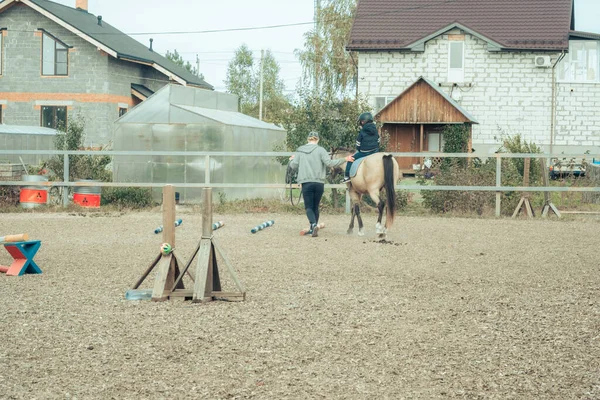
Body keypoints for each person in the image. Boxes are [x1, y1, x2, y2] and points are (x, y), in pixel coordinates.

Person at [289, 131, 354, 237]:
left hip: (306, 182)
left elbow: (294, 166)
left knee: (308, 207)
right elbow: (330, 163)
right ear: (317, 140)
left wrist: (291, 160)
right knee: (315, 207)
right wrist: (344, 159)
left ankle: (313, 224)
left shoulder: (300, 150)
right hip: (319, 183)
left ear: (308, 139)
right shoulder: (321, 150)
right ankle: (313, 228)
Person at [343, 112, 380, 183]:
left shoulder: (362, 131)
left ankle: (347, 177)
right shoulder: (375, 130)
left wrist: (359, 150)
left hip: (365, 152)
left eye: (361, 122)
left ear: (363, 122)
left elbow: (358, 143)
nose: (360, 123)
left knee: (350, 159)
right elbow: (378, 140)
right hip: (375, 151)